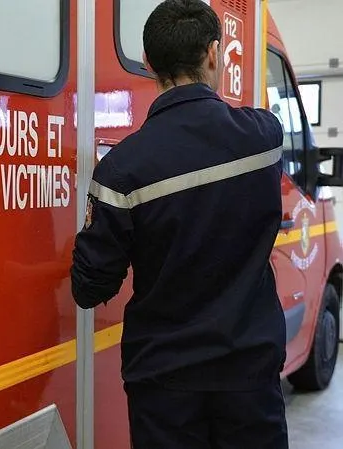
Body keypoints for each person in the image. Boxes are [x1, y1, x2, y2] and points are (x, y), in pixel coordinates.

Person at [70, 1, 288, 448]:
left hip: (164, 384)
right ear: (213, 53)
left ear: (148, 62)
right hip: (249, 373)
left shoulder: (122, 170)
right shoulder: (263, 137)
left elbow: (89, 288)